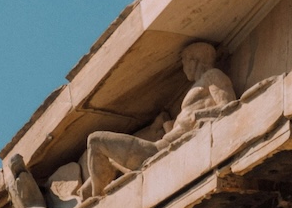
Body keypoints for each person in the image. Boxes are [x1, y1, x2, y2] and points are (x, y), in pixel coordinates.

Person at [83, 40, 236, 195]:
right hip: (161, 147)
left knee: (95, 140)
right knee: (106, 156)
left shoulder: (213, 75)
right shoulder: (200, 84)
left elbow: (228, 106)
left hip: (158, 151)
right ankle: (94, 197)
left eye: (184, 62)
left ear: (194, 61)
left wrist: (196, 116)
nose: (183, 68)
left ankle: (97, 199)